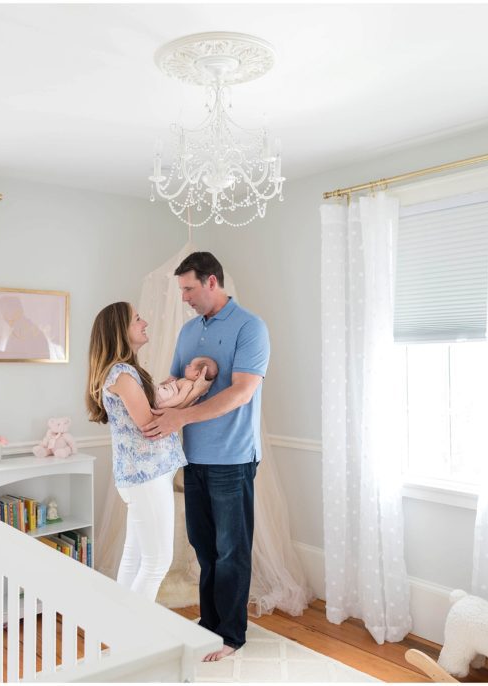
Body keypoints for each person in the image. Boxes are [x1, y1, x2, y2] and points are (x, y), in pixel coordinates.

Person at [143, 252, 270, 662]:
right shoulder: (187, 331)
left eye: (189, 289)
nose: (184, 297)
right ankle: (209, 625)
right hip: (193, 456)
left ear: (211, 282)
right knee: (203, 545)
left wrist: (181, 417)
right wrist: (153, 396)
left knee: (232, 548)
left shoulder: (250, 327)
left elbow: (241, 392)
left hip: (233, 457)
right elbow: (179, 382)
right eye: (181, 290)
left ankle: (231, 634)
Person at [86, 302, 186, 601]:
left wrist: (168, 396)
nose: (145, 322)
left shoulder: (123, 373)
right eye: (137, 319)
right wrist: (185, 397)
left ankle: (122, 630)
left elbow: (147, 412)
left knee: (135, 555)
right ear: (120, 330)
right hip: (146, 478)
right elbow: (149, 423)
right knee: (157, 562)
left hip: (142, 477)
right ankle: (140, 638)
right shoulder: (123, 375)